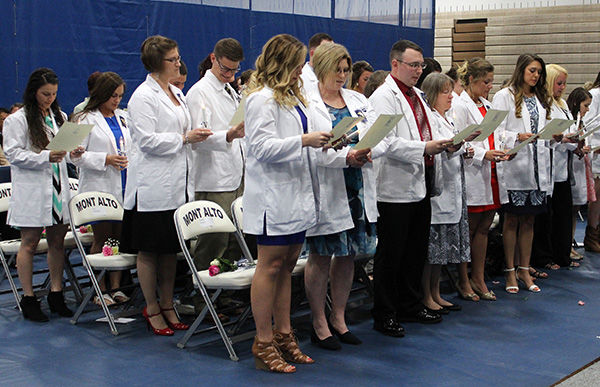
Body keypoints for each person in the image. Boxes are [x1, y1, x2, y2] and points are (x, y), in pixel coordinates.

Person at [244, 34, 332, 373]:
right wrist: (304, 140)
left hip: (295, 193)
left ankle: (284, 333)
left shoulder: (295, 98)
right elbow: (261, 148)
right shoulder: (261, 100)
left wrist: (323, 141)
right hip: (272, 197)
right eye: (297, 63)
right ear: (283, 63)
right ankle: (262, 340)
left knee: (288, 266)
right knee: (269, 266)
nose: (302, 69)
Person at [122, 35, 211, 336]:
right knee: (149, 250)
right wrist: (184, 139)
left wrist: (194, 135)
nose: (178, 63)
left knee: (172, 249)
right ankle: (151, 306)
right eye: (173, 59)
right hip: (153, 186)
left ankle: (168, 302)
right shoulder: (142, 97)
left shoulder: (176, 92)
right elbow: (146, 142)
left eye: (178, 57)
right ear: (158, 62)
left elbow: (182, 130)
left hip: (178, 184)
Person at [369, 40, 450, 336]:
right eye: (413, 65)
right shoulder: (383, 97)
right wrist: (426, 147)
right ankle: (385, 313)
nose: (418, 70)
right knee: (392, 253)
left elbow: (431, 130)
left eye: (421, 65)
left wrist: (452, 141)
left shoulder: (417, 94)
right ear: (395, 64)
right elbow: (385, 142)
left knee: (415, 249)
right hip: (394, 185)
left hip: (421, 179)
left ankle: (411, 304)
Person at [304, 42, 377, 350]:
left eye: (347, 71)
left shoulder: (357, 99)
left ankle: (339, 317)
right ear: (321, 68)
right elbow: (311, 151)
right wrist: (345, 156)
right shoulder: (307, 102)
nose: (343, 76)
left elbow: (378, 134)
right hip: (328, 184)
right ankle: (318, 321)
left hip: (357, 185)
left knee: (348, 255)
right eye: (338, 70)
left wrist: (371, 149)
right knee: (322, 255)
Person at [3, 68, 85, 322]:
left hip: (58, 189)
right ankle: (28, 297)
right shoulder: (16, 121)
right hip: (33, 188)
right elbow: (14, 154)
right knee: (28, 243)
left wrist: (75, 152)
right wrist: (44, 156)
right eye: (44, 94)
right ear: (33, 92)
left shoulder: (58, 116)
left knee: (57, 242)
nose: (49, 98)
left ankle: (56, 292)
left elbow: (65, 152)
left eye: (53, 94)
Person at [185, 38, 246, 311]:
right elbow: (198, 137)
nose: (230, 74)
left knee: (235, 238)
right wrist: (229, 135)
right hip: (213, 176)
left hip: (236, 171)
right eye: (225, 69)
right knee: (214, 239)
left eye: (234, 70)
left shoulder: (230, 91)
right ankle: (201, 297)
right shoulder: (199, 92)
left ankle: (223, 293)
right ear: (213, 59)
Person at [493, 54, 553, 294]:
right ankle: (509, 270)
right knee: (512, 220)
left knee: (530, 220)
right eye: (532, 70)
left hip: (537, 167)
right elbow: (495, 129)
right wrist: (515, 137)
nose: (535, 75)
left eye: (539, 71)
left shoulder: (539, 98)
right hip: (516, 165)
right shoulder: (504, 96)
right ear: (521, 70)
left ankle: (524, 268)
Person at [452, 57, 509, 301]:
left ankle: (479, 276)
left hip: (491, 173)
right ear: (472, 79)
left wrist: (510, 145)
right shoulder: (460, 105)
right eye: (486, 82)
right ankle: (463, 279)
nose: (490, 87)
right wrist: (484, 154)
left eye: (492, 82)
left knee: (485, 227)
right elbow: (459, 141)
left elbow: (497, 134)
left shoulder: (486, 104)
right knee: (470, 229)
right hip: (472, 171)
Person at [72, 71, 131, 305]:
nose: (116, 100)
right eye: (112, 96)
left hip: (123, 182)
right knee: (102, 236)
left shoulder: (123, 117)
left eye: (119, 96)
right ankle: (99, 288)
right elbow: (71, 154)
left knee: (118, 237)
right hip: (99, 184)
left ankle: (116, 286)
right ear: (101, 94)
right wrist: (104, 159)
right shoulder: (83, 117)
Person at [421, 72, 472, 313]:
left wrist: (464, 146)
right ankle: (426, 294)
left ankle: (436, 291)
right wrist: (454, 145)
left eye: (451, 91)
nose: (451, 96)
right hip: (437, 190)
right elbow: (434, 147)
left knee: (440, 250)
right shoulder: (428, 117)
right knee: (432, 249)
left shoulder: (446, 117)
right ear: (432, 94)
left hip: (452, 185)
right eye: (445, 92)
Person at [531, 64, 579, 270]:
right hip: (549, 166)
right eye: (559, 83)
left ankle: (562, 252)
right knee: (547, 216)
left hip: (562, 167)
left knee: (563, 213)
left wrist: (575, 138)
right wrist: (564, 138)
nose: (562, 87)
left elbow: (569, 129)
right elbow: (545, 134)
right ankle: (546, 256)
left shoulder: (563, 104)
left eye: (564, 83)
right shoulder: (545, 105)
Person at [583, 73, 600, 251]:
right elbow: (587, 124)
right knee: (596, 198)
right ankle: (592, 235)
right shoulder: (595, 95)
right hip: (596, 153)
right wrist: (595, 147)